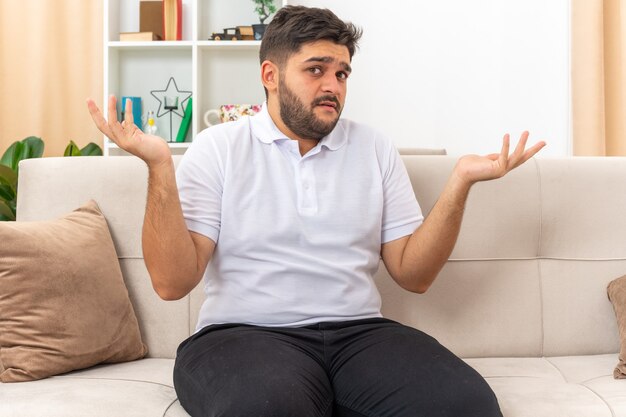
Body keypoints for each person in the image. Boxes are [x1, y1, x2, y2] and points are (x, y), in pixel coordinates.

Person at [87, 5, 544, 417]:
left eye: (342, 74)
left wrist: (460, 182)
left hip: (359, 334)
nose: (333, 85)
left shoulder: (374, 148)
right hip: (243, 334)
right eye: (316, 70)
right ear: (270, 74)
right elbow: (172, 283)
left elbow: (414, 275)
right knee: (268, 408)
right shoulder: (218, 148)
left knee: (467, 405)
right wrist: (160, 165)